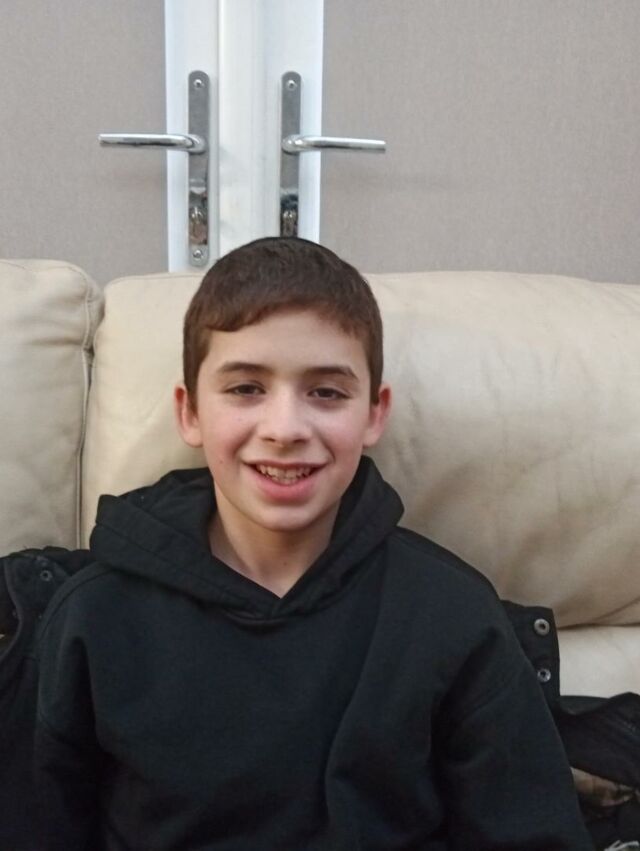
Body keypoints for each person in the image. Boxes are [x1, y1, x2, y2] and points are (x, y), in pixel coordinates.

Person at [35, 237, 593, 850]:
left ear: (374, 414)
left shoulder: (453, 615)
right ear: (190, 412)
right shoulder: (95, 615)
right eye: (246, 388)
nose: (285, 429)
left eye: (326, 392)